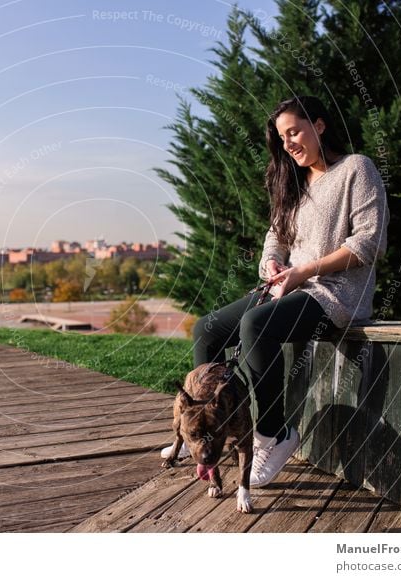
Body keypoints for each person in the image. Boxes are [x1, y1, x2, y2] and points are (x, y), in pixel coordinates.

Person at [162, 95, 389, 487]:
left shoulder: (356, 168)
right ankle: (203, 428)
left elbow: (370, 243)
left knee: (255, 325)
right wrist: (271, 264)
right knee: (207, 329)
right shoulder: (296, 185)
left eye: (294, 131)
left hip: (336, 294)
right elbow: (275, 240)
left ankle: (272, 434)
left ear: (318, 126)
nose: (288, 143)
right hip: (288, 287)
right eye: (282, 138)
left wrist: (304, 271)